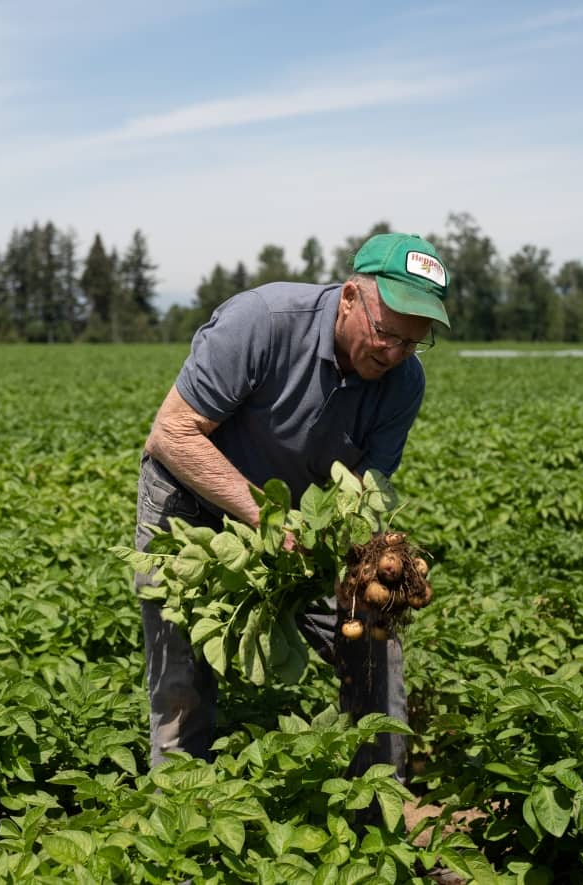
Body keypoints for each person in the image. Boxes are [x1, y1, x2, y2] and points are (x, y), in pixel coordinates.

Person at [133, 231, 450, 780]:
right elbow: (173, 435)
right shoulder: (262, 320)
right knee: (181, 673)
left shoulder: (403, 383)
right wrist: (266, 518)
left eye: (410, 343)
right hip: (191, 500)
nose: (393, 353)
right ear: (350, 296)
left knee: (373, 646)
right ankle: (181, 827)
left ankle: (379, 815)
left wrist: (371, 555)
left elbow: (364, 486)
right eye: (385, 333)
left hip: (299, 523)